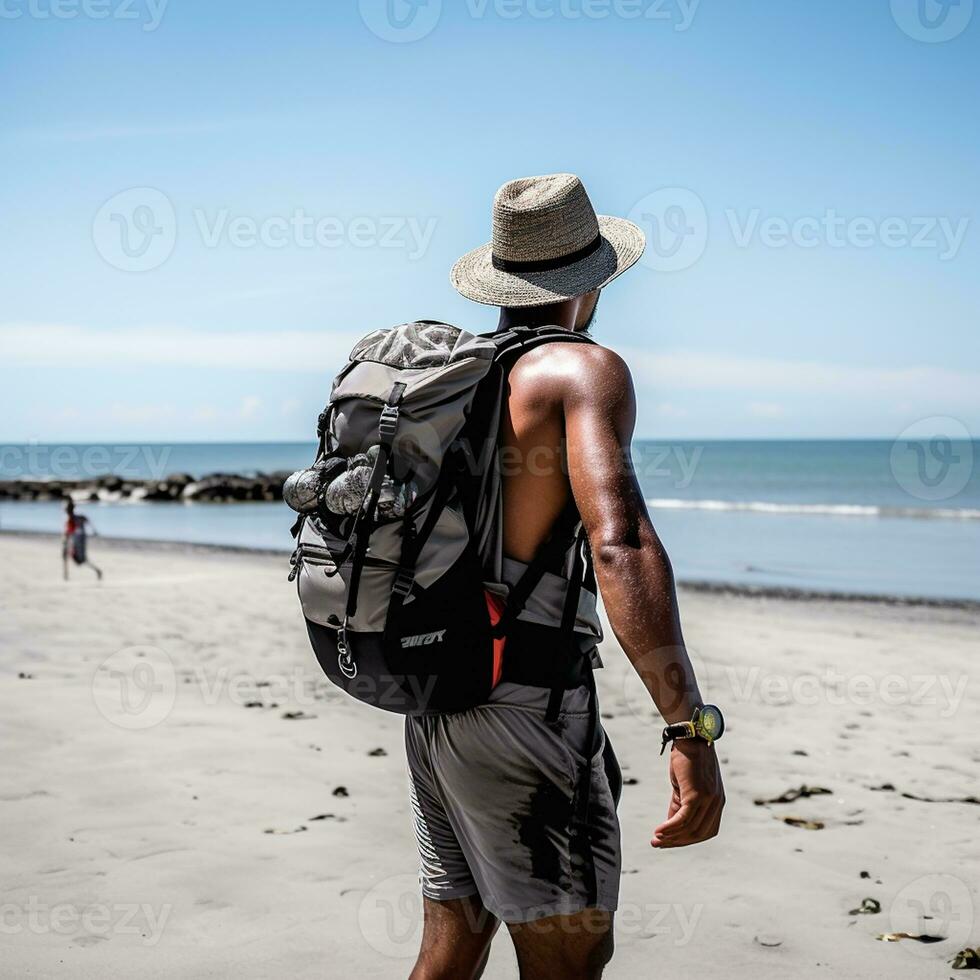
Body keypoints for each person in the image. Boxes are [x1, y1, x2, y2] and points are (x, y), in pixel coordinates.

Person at [405, 174, 725, 979]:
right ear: (593, 281)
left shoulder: (465, 374)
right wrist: (689, 728)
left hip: (438, 700)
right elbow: (620, 545)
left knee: (454, 945)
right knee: (572, 958)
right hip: (526, 706)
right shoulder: (583, 372)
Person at [62, 498, 102, 581]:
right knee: (69, 556)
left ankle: (97, 570)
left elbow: (69, 532)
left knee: (80, 559)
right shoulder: (76, 518)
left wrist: (94, 531)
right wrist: (94, 531)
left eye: (66, 509)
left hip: (77, 541)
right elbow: (69, 532)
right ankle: (66, 575)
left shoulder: (73, 519)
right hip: (76, 540)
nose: (65, 510)